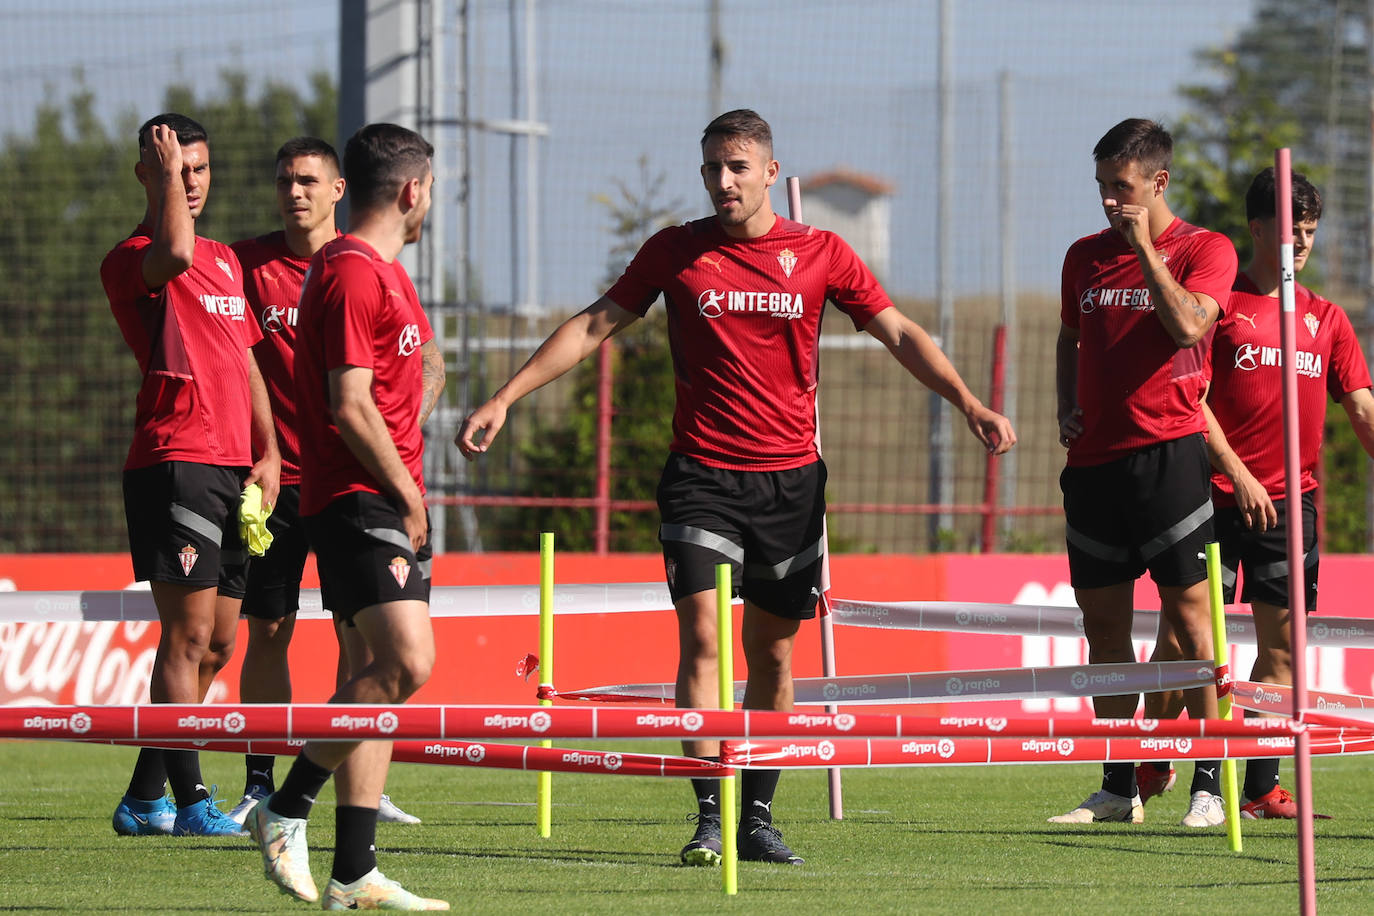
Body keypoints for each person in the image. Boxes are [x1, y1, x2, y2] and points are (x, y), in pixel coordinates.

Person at [457, 109, 1016, 866]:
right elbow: (594, 325)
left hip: (790, 484)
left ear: (771, 175)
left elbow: (901, 333)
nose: (722, 182)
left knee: (775, 659)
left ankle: (756, 814)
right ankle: (709, 812)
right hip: (701, 477)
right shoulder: (676, 252)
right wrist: (506, 395)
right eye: (712, 168)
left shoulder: (822, 253)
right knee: (700, 640)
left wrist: (970, 403)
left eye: (737, 168)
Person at [245, 122, 448, 911]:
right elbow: (349, 403)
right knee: (407, 662)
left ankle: (353, 870)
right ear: (411, 190)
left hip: (382, 495)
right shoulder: (352, 271)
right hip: (362, 498)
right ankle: (285, 808)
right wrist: (406, 491)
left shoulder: (383, 273)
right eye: (431, 187)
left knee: (376, 680)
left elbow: (409, 376)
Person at [1141, 168, 1371, 819]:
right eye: (1288, 230)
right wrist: (1236, 472)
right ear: (1257, 228)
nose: (1300, 243)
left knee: (1281, 651)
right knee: (1185, 642)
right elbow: (1193, 400)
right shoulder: (1221, 306)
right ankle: (1160, 762)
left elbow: (1359, 404)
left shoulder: (1325, 319)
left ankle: (1259, 787)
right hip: (1210, 493)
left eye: (1309, 231)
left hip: (1288, 505)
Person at [1050, 118, 1236, 829]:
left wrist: (1143, 250)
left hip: (1171, 457)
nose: (1107, 202)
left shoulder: (1204, 249)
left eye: (1120, 188)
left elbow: (1190, 327)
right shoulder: (1081, 257)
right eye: (1100, 186)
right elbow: (1068, 335)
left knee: (1192, 626)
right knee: (1105, 630)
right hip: (1094, 466)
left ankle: (1209, 784)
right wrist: (1066, 404)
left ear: (1158, 184)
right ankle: (1118, 782)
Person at [100, 113, 281, 838]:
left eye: (201, 169)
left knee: (219, 645)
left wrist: (268, 451)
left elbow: (246, 358)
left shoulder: (227, 261)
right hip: (174, 459)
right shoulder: (134, 255)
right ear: (147, 174)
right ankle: (193, 803)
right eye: (179, 170)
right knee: (184, 638)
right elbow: (172, 249)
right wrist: (167, 173)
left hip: (232, 465)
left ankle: (146, 798)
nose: (193, 182)